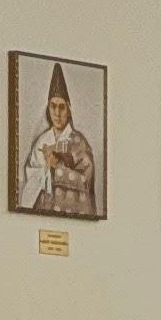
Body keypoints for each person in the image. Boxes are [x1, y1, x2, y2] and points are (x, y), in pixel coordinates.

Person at [17, 65, 101, 218]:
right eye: (53, 106)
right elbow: (31, 174)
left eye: (62, 107)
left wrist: (58, 170)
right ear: (48, 108)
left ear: (68, 110)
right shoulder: (41, 141)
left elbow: (86, 181)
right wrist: (46, 170)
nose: (57, 113)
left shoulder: (79, 142)